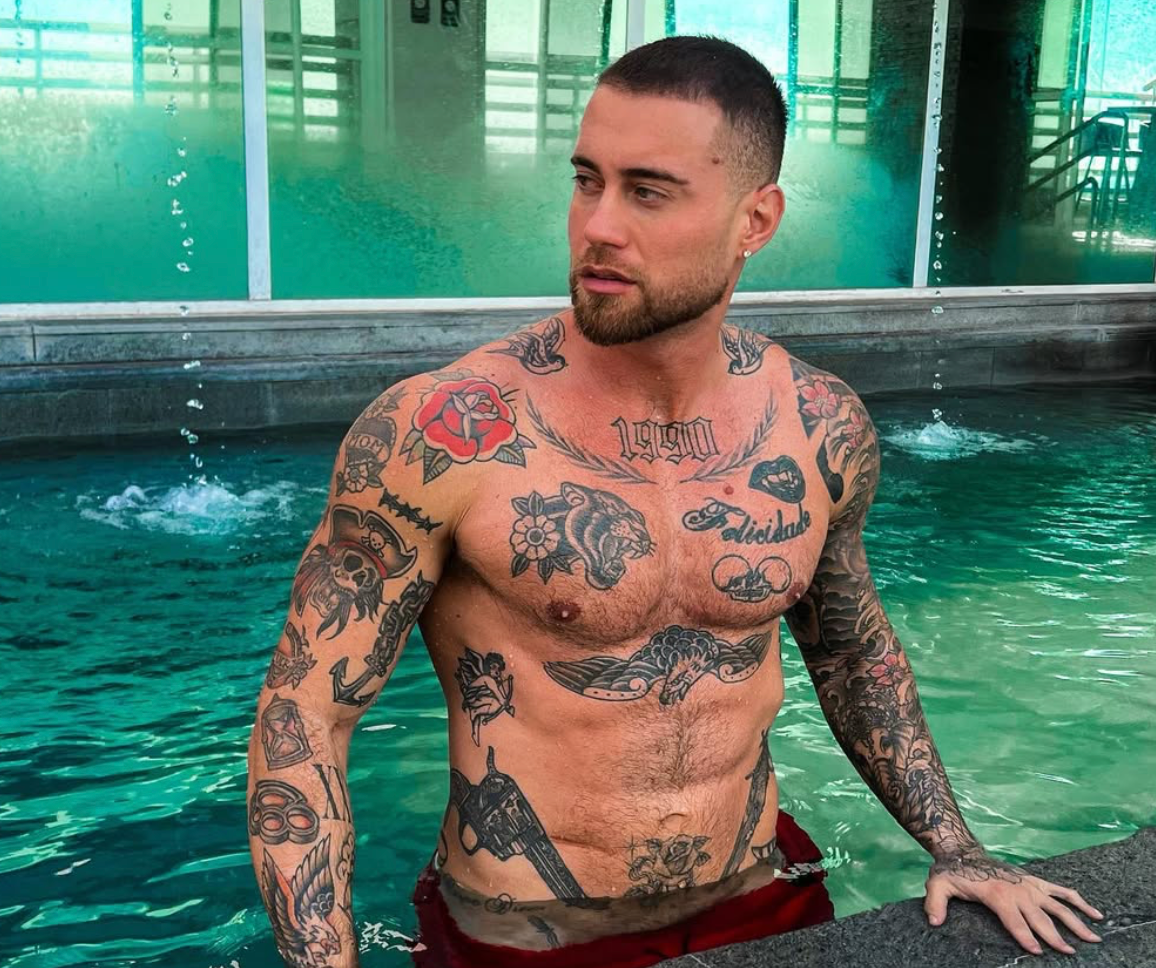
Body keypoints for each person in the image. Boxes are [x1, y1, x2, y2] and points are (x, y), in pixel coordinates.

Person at [246, 35, 1105, 968]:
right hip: (532, 937)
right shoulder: (446, 433)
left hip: (764, 898)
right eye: (587, 181)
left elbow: (853, 652)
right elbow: (305, 717)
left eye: (648, 192)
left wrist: (959, 850)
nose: (598, 226)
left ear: (755, 219)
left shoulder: (815, 425)